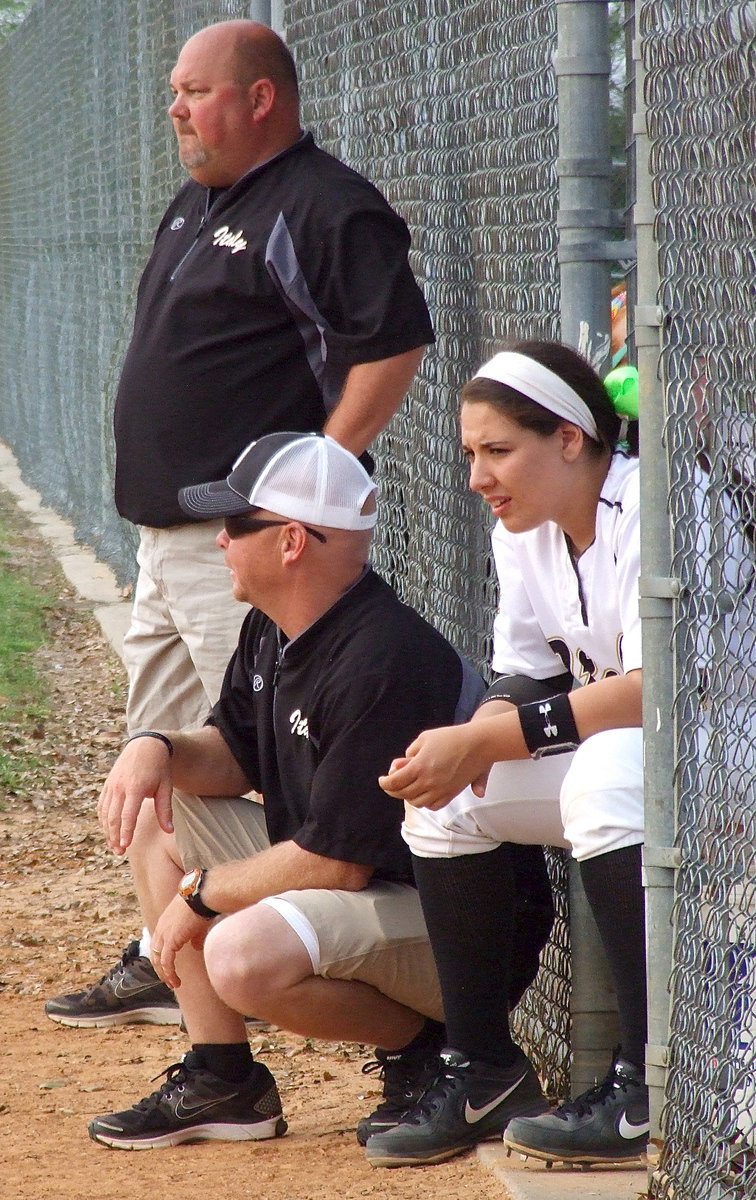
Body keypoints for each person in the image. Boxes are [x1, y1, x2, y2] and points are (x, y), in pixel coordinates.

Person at [45, 18, 434, 1029]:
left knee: (257, 767)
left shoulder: (322, 204)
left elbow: (390, 346)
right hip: (169, 543)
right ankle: (188, 998)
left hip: (253, 547)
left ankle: (266, 950)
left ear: (261, 98)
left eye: (195, 90)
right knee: (158, 765)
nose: (174, 107)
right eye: (172, 90)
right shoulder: (202, 202)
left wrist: (315, 476)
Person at [86, 429, 534, 1151]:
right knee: (155, 816)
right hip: (370, 891)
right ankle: (223, 1077)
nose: (221, 540)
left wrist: (200, 894)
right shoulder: (274, 625)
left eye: (236, 523)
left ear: (292, 541)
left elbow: (337, 864)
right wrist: (156, 747)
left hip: (459, 932)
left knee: (239, 951)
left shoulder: (381, 659)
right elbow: (231, 755)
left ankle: (429, 1047)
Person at [366, 340, 647, 1168]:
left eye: (497, 451)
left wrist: (497, 735)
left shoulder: (655, 506)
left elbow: (654, 690)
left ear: (568, 438)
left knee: (600, 770)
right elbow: (524, 668)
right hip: (632, 759)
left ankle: (640, 1084)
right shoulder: (528, 528)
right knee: (445, 795)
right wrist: (477, 737)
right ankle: (483, 1065)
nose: (479, 476)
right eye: (470, 454)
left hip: (715, 755)